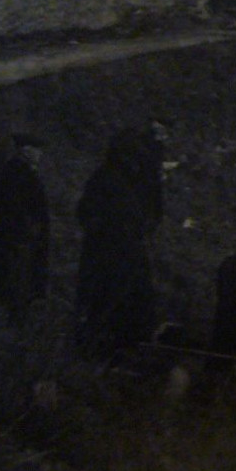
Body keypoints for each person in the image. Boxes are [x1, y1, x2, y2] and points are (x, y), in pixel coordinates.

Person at [74, 152, 156, 357]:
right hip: (108, 253)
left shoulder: (127, 183)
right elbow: (88, 213)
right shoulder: (108, 180)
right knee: (105, 300)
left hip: (123, 253)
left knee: (120, 300)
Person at [0, 134, 50, 321]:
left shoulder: (24, 171)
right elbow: (14, 206)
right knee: (18, 282)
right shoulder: (17, 171)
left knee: (22, 282)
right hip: (19, 240)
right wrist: (28, 227)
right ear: (26, 150)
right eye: (36, 149)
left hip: (25, 238)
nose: (39, 154)